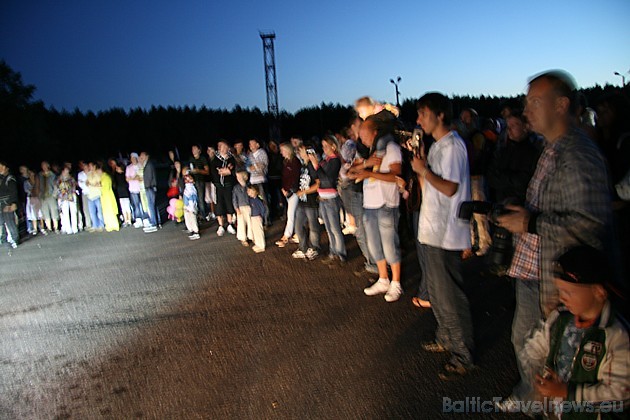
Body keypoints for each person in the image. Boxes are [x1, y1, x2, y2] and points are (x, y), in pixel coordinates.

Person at [496, 70, 618, 408]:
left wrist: (531, 221)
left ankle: (551, 405)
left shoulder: (580, 154)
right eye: (526, 102)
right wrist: (523, 211)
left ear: (562, 105)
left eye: (534, 102)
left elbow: (590, 224)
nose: (526, 110)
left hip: (557, 277)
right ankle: (533, 395)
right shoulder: (553, 149)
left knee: (557, 351)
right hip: (536, 268)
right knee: (526, 341)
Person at [508, 245, 629, 417]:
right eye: (559, 290)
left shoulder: (616, 335)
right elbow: (534, 347)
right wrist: (537, 373)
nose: (561, 297)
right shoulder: (559, 318)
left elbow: (621, 394)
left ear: (598, 292)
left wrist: (567, 392)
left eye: (568, 292)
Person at [411, 92, 475, 380]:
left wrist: (423, 170)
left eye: (422, 113)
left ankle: (463, 355)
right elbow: (434, 188)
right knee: (437, 293)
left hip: (446, 232)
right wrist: (423, 167)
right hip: (432, 229)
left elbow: (450, 188)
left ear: (439, 115)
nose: (418, 119)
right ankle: (445, 338)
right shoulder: (437, 146)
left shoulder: (453, 146)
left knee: (449, 296)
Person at [350, 118, 403, 302]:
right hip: (370, 204)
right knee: (374, 245)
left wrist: (369, 173)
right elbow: (349, 173)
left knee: (389, 245)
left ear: (374, 132)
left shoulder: (391, 148)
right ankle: (383, 279)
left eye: (363, 134)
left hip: (386, 203)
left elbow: (396, 175)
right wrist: (365, 165)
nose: (361, 139)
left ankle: (396, 283)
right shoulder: (372, 152)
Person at [306, 134, 347, 266]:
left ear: (333, 147)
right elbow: (315, 176)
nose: (323, 148)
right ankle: (333, 252)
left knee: (335, 228)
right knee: (329, 229)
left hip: (331, 199)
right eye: (322, 146)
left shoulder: (334, 161)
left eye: (326, 146)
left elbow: (327, 180)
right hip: (323, 198)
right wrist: (312, 163)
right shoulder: (325, 160)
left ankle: (340, 254)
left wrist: (316, 164)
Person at [292, 145, 321, 261]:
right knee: (298, 226)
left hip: (311, 201)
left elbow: (318, 184)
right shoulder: (303, 166)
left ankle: (314, 248)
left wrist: (304, 191)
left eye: (301, 150)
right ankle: (303, 247)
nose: (299, 152)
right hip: (302, 201)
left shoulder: (312, 166)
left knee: (313, 226)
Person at [275, 142, 301, 248]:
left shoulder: (295, 162)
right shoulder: (286, 162)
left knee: (291, 213)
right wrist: (283, 188)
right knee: (294, 213)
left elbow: (295, 177)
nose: (281, 153)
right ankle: (297, 233)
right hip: (286, 191)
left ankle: (287, 235)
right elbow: (284, 177)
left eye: (282, 150)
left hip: (293, 191)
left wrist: (289, 189)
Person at [210, 140, 237, 236]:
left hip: (228, 185)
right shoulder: (215, 160)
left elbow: (232, 171)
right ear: (219, 148)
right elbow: (214, 172)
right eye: (222, 147)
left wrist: (228, 172)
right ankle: (220, 225)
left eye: (226, 147)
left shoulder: (231, 158)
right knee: (219, 205)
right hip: (218, 186)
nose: (225, 149)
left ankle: (230, 224)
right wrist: (222, 172)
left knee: (229, 203)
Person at [247, 138, 270, 225]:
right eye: (250, 144)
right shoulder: (250, 155)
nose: (251, 146)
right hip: (252, 180)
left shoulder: (262, 153)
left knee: (263, 200)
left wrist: (254, 166)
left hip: (261, 179)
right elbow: (248, 167)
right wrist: (255, 166)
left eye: (252, 144)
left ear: (257, 144)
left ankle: (266, 220)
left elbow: (263, 165)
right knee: (254, 200)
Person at [0, 161, 19, 249]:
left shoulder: (10, 178)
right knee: (1, 223)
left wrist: (13, 203)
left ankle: (15, 240)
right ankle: (3, 240)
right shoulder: (1, 178)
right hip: (1, 203)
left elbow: (14, 192)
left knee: (10, 222)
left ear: (6, 168)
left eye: (2, 166)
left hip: (7, 202)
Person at [189, 144, 210, 220]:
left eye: (195, 149)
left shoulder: (202, 159)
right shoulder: (191, 159)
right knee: (194, 199)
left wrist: (198, 171)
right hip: (192, 182)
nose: (193, 150)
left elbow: (207, 171)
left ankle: (203, 215)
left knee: (201, 199)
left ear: (199, 150)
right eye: (192, 149)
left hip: (200, 181)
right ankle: (197, 215)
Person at [139, 152, 158, 233]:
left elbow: (149, 177)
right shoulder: (146, 164)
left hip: (150, 187)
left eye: (142, 156)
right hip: (149, 187)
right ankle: (154, 222)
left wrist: (147, 186)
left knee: (151, 205)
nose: (141, 157)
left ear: (146, 156)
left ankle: (154, 223)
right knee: (151, 205)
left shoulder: (149, 165)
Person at [55, 166, 78, 234]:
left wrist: (73, 193)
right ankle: (68, 229)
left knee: (73, 212)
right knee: (65, 213)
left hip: (71, 197)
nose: (66, 173)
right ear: (62, 171)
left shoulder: (71, 179)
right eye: (65, 171)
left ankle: (75, 228)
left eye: (67, 171)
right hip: (63, 198)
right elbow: (57, 189)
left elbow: (74, 187)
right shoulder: (58, 180)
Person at [233, 170, 253, 247]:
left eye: (239, 176)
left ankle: (251, 236)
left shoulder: (248, 186)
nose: (238, 178)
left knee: (250, 222)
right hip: (241, 208)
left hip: (249, 206)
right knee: (241, 223)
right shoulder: (236, 188)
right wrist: (236, 208)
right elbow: (234, 199)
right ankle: (243, 238)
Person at [38, 161, 59, 233]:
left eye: (45, 165)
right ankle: (49, 227)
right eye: (42, 165)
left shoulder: (52, 175)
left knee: (54, 210)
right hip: (43, 196)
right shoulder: (40, 175)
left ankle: (56, 227)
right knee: (45, 211)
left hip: (51, 194)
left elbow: (55, 185)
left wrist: (54, 194)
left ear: (48, 166)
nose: (43, 167)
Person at [126, 153, 145, 228]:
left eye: (134, 158)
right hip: (133, 189)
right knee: (136, 205)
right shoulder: (129, 167)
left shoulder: (140, 165)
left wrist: (135, 178)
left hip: (141, 188)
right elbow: (127, 179)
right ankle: (138, 219)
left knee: (143, 204)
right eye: (131, 158)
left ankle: (145, 218)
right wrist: (134, 178)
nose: (133, 159)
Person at [99, 164, 119, 232]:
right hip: (104, 196)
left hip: (107, 196)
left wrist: (99, 186)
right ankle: (109, 225)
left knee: (110, 211)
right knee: (106, 211)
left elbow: (106, 188)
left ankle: (114, 225)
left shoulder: (106, 177)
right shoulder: (102, 177)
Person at [85, 161, 104, 232]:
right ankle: (95, 225)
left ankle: (101, 225)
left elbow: (99, 183)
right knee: (92, 212)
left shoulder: (98, 173)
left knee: (99, 211)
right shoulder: (89, 174)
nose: (89, 167)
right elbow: (87, 182)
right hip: (90, 195)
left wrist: (92, 184)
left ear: (94, 166)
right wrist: (88, 183)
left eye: (90, 166)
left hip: (97, 194)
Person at [247, 185, 266, 253]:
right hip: (253, 217)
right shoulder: (251, 200)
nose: (249, 193)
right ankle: (257, 244)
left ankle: (261, 246)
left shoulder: (258, 200)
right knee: (255, 232)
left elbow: (263, 209)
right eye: (249, 191)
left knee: (259, 232)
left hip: (257, 217)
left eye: (251, 192)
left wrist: (262, 216)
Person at [182, 169, 200, 240]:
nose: (186, 180)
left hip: (191, 207)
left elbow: (192, 199)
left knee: (192, 219)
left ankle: (196, 232)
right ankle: (191, 230)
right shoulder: (188, 187)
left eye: (188, 179)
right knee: (188, 219)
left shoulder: (191, 188)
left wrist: (191, 208)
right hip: (187, 206)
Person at [114, 160, 132, 227]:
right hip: (120, 193)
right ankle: (125, 220)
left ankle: (129, 220)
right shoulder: (116, 175)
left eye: (118, 168)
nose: (116, 169)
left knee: (127, 207)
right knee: (123, 208)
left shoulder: (124, 175)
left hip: (125, 193)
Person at [77, 160, 92, 231]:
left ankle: (94, 223)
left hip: (92, 192)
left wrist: (87, 183)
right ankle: (88, 224)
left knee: (93, 208)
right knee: (86, 209)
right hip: (85, 193)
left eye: (86, 166)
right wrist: (86, 184)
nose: (85, 167)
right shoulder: (80, 174)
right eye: (84, 166)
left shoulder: (91, 173)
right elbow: (81, 184)